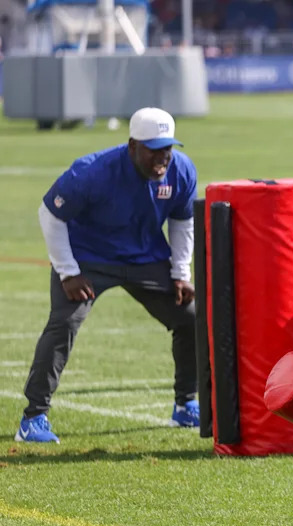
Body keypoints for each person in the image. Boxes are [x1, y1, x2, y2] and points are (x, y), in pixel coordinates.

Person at [16, 107, 200, 443]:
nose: (162, 158)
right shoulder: (91, 172)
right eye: (153, 149)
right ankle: (33, 417)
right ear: (132, 146)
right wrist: (68, 272)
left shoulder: (182, 171)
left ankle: (186, 403)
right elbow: (50, 214)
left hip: (145, 258)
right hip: (88, 259)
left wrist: (180, 272)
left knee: (190, 317)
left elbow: (182, 222)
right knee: (64, 325)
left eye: (167, 149)